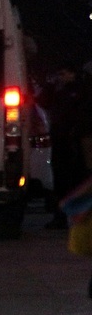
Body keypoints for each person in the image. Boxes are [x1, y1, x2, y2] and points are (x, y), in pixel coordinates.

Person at [37, 63, 90, 230]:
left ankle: (78, 217)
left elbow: (82, 115)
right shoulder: (58, 91)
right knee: (60, 180)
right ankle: (60, 217)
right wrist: (50, 85)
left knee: (76, 179)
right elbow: (43, 101)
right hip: (60, 139)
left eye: (64, 73)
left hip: (75, 140)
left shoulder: (81, 91)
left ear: (73, 74)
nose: (61, 77)